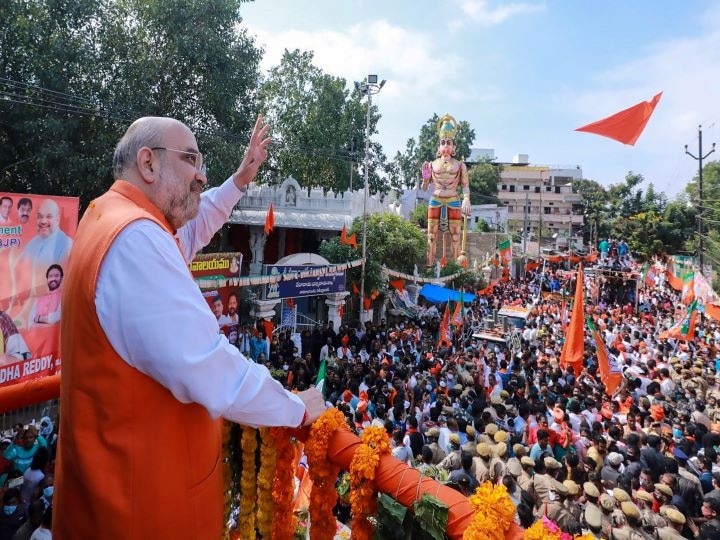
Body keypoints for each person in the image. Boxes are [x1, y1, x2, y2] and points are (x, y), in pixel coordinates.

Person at [55, 115, 325, 539]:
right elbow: (214, 371)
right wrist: (297, 409)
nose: (202, 175)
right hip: (139, 512)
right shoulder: (137, 240)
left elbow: (197, 225)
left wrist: (240, 178)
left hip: (115, 496)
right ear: (148, 163)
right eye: (192, 160)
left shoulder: (112, 217)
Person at [420, 114, 471, 266]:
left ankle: (454, 269)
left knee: (456, 236)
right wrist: (425, 179)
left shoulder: (460, 165)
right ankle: (429, 267)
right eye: (443, 142)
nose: (446, 145)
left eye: (449, 142)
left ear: (454, 147)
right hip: (435, 199)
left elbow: (466, 186)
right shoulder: (431, 164)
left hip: (453, 199)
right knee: (430, 236)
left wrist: (466, 199)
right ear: (439, 147)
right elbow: (424, 188)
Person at [19, 199, 73, 288]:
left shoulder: (67, 245)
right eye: (40, 216)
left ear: (57, 219)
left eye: (49, 217)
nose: (43, 221)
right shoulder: (31, 244)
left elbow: (63, 284)